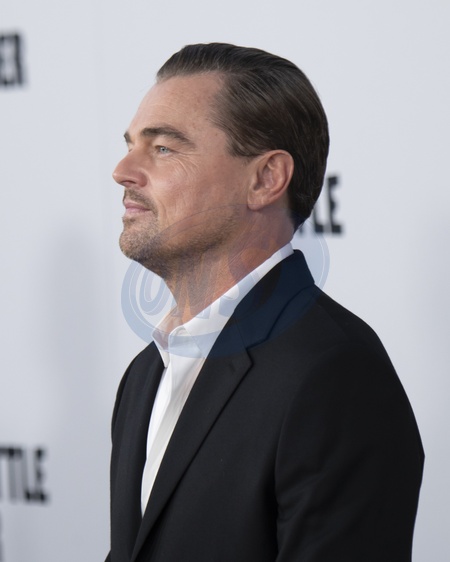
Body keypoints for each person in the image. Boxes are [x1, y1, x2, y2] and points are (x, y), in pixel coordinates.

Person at [106, 43, 424, 562]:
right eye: (130, 145)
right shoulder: (146, 373)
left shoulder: (334, 372)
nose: (122, 170)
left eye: (162, 148)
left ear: (266, 179)